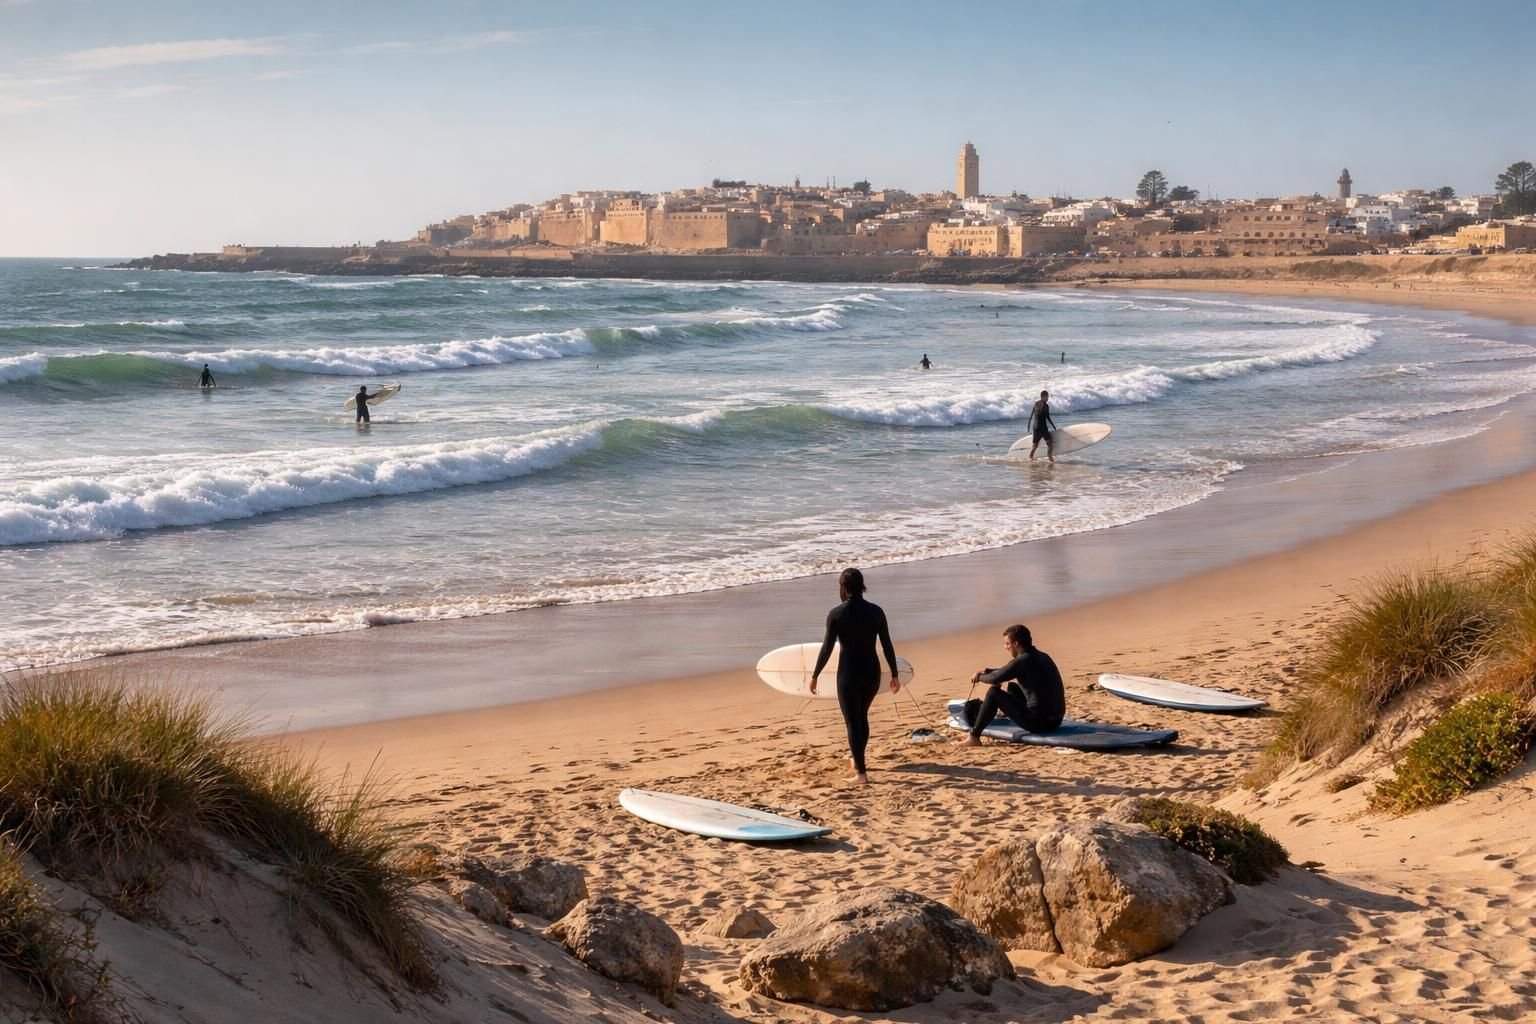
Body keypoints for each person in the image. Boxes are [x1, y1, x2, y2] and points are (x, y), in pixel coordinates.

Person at [809, 567, 901, 786]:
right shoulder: (876, 611)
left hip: (849, 674)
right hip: (871, 672)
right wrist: (894, 674)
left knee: (852, 722)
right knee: (862, 717)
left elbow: (826, 649)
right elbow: (887, 645)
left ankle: (861, 773)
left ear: (843, 587)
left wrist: (815, 675)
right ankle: (856, 759)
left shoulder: (836, 614)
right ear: (862, 586)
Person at [958, 624, 1065, 745]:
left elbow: (996, 679)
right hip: (1056, 720)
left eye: (1007, 644)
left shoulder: (1023, 660)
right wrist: (989, 671)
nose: (1005, 647)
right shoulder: (1042, 656)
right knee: (1012, 687)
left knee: (993, 693)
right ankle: (1005, 713)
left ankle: (974, 737)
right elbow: (1009, 670)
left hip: (1039, 723)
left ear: (1016, 644)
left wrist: (979, 677)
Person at [1027, 389, 1058, 463]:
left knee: (1035, 446)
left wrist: (1028, 426)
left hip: (1035, 427)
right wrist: (1053, 426)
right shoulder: (1046, 405)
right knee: (1049, 443)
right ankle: (1050, 458)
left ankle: (1030, 457)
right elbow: (1047, 417)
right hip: (1042, 427)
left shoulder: (1036, 404)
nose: (1048, 398)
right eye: (1047, 397)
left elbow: (1031, 416)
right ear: (1043, 397)